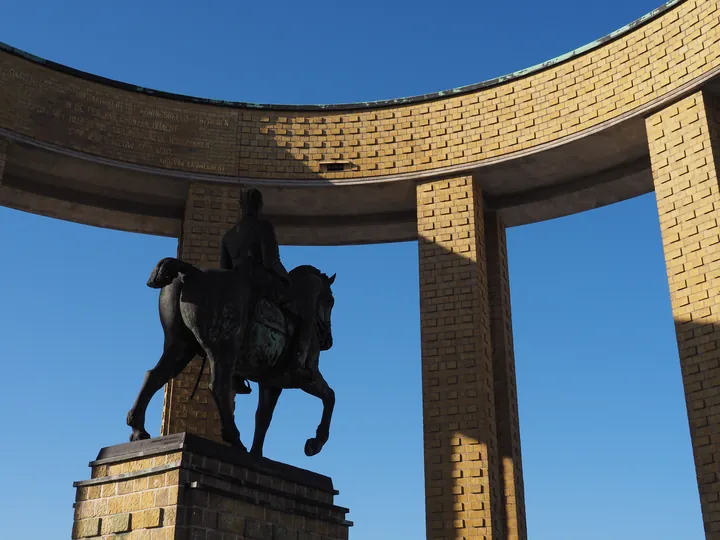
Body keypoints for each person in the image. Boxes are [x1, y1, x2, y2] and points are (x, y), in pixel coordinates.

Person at [220, 188, 313, 394]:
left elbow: (224, 269)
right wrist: (286, 279)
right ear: (260, 206)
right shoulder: (263, 226)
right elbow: (271, 261)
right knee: (305, 316)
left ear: (241, 206)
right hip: (259, 281)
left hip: (234, 283)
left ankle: (235, 373)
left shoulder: (227, 237)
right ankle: (298, 364)